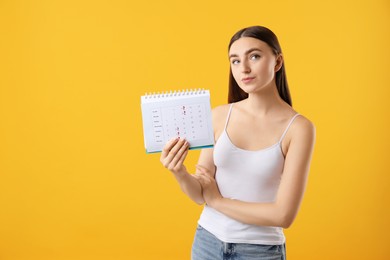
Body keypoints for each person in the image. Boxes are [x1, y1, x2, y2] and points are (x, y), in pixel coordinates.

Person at [160, 25, 315, 260]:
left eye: (254, 56)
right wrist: (180, 172)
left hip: (260, 251)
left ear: (277, 61)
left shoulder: (299, 128)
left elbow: (283, 215)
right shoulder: (219, 116)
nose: (244, 68)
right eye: (235, 60)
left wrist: (218, 201)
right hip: (207, 243)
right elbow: (200, 194)